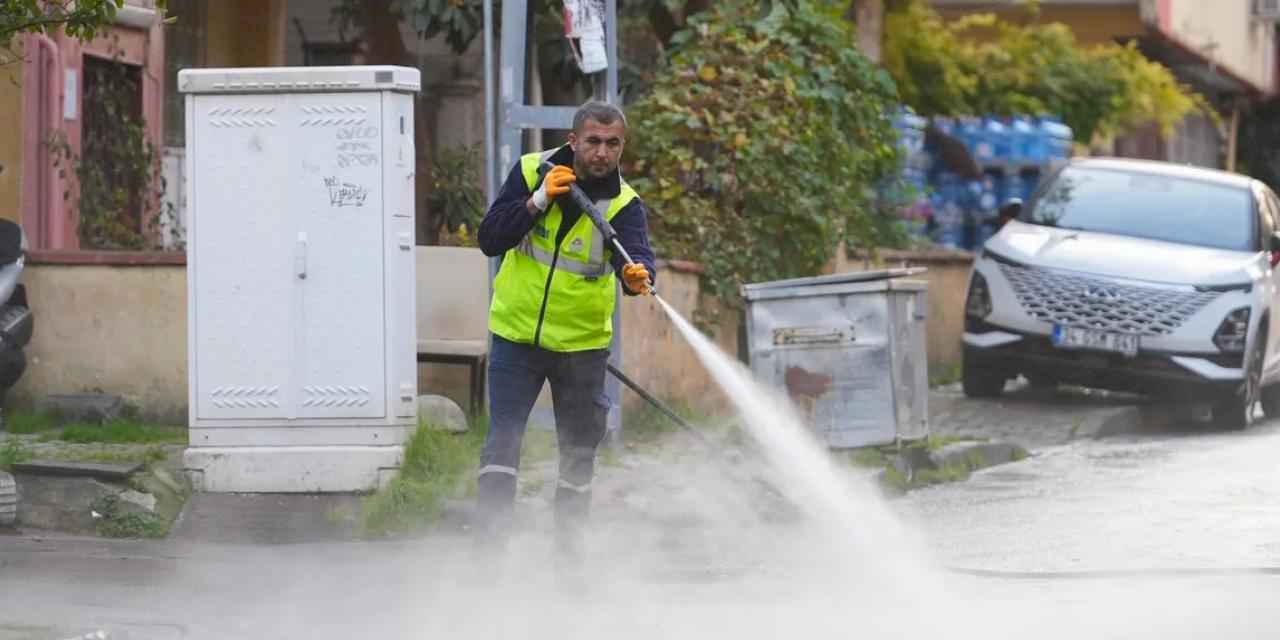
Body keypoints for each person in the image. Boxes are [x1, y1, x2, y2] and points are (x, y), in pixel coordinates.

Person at [474, 100, 657, 572]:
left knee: (578, 454)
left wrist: (638, 276)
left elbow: (634, 255)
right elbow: (490, 238)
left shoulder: (624, 204)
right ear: (573, 141)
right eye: (592, 141)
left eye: (612, 143)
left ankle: (567, 559)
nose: (601, 152)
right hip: (517, 339)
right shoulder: (532, 171)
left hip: (581, 349)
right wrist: (537, 201)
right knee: (502, 444)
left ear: (622, 147)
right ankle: (489, 557)